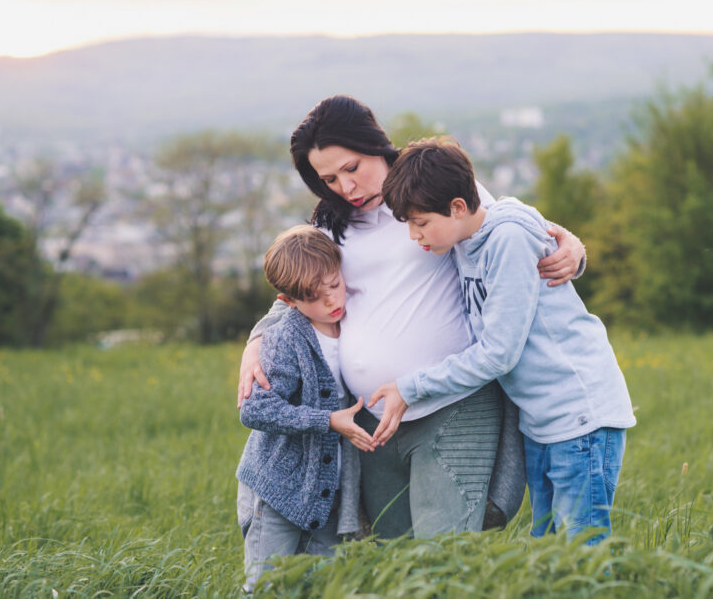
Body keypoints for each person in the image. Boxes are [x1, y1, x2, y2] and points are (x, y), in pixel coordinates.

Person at [237, 95, 587, 539]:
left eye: (352, 167)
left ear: (376, 145)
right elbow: (298, 289)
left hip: (452, 402)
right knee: (393, 555)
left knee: (443, 551)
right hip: (372, 418)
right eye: (328, 178)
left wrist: (569, 245)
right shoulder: (330, 226)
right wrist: (258, 339)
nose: (346, 186)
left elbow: (503, 230)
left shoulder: (432, 189)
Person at [371, 137, 636, 544]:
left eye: (420, 223)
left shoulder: (506, 238)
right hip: (543, 420)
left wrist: (412, 388)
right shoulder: (463, 237)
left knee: (583, 550)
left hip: (579, 414)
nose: (413, 236)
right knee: (549, 545)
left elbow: (499, 353)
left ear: (458, 207)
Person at [235, 225, 373, 592]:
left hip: (329, 492)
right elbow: (255, 410)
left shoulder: (353, 322)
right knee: (267, 584)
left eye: (334, 284)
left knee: (323, 586)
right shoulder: (285, 337)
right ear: (289, 301)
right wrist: (327, 420)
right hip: (278, 490)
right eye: (315, 296)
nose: (331, 300)